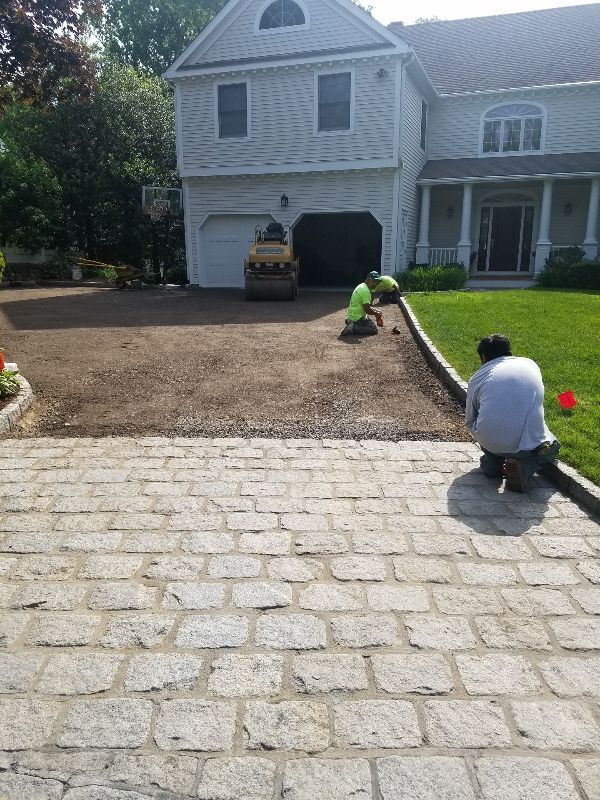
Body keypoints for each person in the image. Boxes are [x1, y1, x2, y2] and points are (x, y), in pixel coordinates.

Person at [465, 334, 560, 492]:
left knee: (493, 439)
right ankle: (524, 467)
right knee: (554, 446)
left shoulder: (477, 377)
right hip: (527, 446)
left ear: (483, 357)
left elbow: (470, 420)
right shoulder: (530, 365)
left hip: (490, 441)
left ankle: (492, 464)